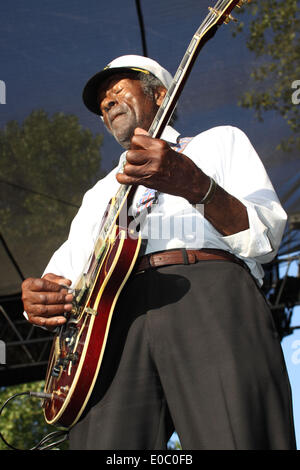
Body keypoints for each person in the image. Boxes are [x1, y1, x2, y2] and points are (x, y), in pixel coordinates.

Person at [22, 55, 296, 450]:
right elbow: (64, 272)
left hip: (206, 290)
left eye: (117, 90)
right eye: (102, 102)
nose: (107, 103)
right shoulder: (99, 192)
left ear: (160, 94)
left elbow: (265, 236)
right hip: (112, 317)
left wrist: (196, 185)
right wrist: (40, 298)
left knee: (236, 433)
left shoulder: (220, 141)